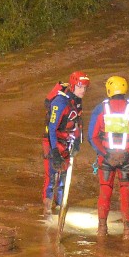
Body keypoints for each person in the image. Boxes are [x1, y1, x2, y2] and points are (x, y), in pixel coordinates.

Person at [88, 76, 129, 240]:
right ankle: (127, 231)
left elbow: (92, 137)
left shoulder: (100, 109)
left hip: (106, 158)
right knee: (126, 194)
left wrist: (105, 153)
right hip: (127, 159)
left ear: (109, 90)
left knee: (104, 192)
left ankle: (101, 229)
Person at [43, 71, 90, 216]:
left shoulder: (77, 102)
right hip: (52, 141)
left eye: (85, 87)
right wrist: (54, 151)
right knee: (51, 178)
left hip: (67, 142)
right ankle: (46, 211)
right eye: (80, 87)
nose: (83, 90)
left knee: (63, 179)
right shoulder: (60, 102)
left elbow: (77, 124)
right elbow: (52, 128)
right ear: (73, 86)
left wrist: (76, 142)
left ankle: (60, 207)